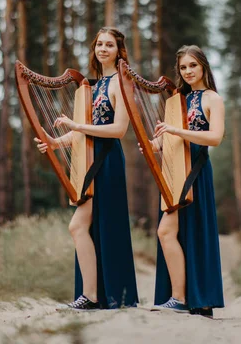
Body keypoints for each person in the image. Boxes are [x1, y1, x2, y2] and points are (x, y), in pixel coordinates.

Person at [35, 27, 138, 310]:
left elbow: (118, 130)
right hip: (91, 157)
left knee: (83, 225)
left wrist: (76, 125)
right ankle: (95, 295)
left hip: (108, 160)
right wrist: (56, 143)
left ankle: (94, 295)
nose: (103, 49)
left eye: (110, 45)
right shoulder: (93, 86)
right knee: (85, 227)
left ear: (119, 51)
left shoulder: (122, 82)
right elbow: (83, 132)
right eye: (99, 44)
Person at [145, 45, 225, 318]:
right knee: (170, 233)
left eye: (193, 65)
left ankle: (187, 298)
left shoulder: (212, 98)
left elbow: (214, 138)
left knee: (185, 233)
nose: (188, 71)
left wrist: (177, 131)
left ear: (203, 65)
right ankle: (182, 297)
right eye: (183, 67)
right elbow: (169, 140)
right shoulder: (178, 100)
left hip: (197, 172)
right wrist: (153, 144)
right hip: (175, 173)